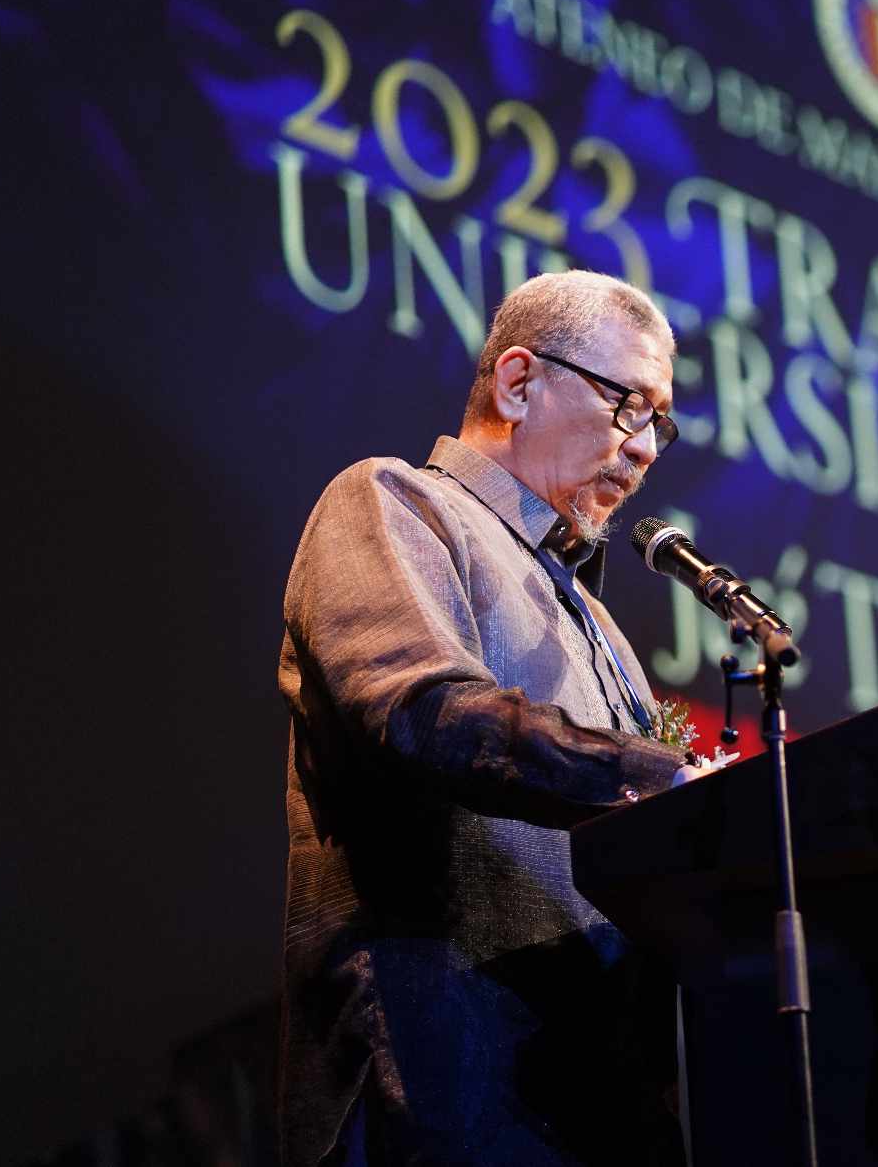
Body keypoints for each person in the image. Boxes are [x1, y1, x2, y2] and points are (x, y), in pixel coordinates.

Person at [277, 270, 709, 1166]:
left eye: (660, 424)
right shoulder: (395, 502)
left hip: (599, 1108)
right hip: (441, 1081)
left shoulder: (607, 632)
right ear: (518, 381)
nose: (645, 449)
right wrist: (665, 776)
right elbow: (423, 710)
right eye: (632, 406)